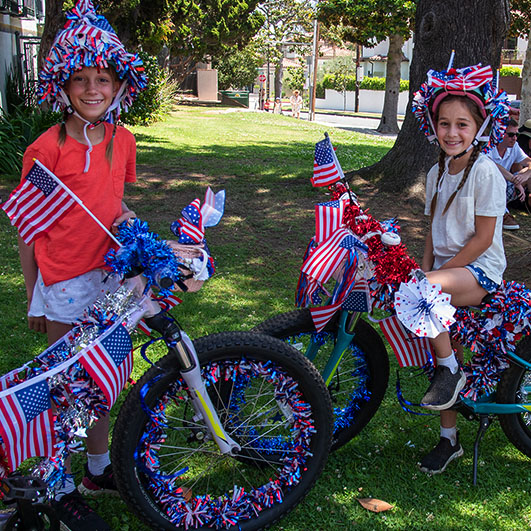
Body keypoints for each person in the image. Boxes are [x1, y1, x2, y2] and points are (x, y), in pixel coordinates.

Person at [16, 0, 146, 528]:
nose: (94, 89)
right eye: (82, 79)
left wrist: (130, 221)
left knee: (105, 380)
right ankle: (59, 482)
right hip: (62, 283)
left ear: (119, 85)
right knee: (66, 387)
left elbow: (114, 203)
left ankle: (96, 467)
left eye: (104, 79)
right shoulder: (44, 149)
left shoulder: (123, 140)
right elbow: (28, 228)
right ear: (63, 86)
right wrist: (33, 293)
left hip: (109, 278)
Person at [411, 63, 509, 474]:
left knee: (422, 299)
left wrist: (434, 279)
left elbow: (483, 240)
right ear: (434, 126)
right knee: (420, 301)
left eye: (462, 124)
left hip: (480, 270)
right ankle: (448, 440)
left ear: (479, 126)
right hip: (449, 271)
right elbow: (434, 231)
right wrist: (424, 269)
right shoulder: (436, 172)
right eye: (444, 123)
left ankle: (453, 369)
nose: (452, 132)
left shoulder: (486, 173)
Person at [487, 118, 531, 227]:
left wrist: (526, 173)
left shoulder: (514, 147)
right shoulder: (488, 147)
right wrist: (514, 180)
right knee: (494, 179)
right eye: (511, 134)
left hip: (507, 187)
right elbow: (493, 166)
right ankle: (502, 213)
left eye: (517, 134)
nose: (515, 138)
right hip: (490, 189)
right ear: (500, 133)